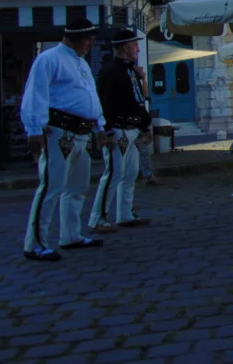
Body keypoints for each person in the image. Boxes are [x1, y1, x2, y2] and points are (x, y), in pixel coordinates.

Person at [21, 19, 111, 261]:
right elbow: (36, 93)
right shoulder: (49, 59)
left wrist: (100, 124)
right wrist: (34, 129)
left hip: (82, 133)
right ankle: (35, 243)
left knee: (77, 187)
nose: (91, 44)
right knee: (51, 186)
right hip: (59, 132)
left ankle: (70, 235)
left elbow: (90, 95)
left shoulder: (79, 62)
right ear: (74, 38)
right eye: (88, 40)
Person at [88, 29, 153, 234]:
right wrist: (105, 131)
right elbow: (103, 104)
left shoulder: (131, 71)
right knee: (114, 173)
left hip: (132, 130)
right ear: (125, 47)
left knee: (130, 173)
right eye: (135, 45)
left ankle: (125, 214)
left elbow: (137, 101)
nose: (137, 48)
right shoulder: (110, 72)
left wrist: (144, 125)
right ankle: (98, 218)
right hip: (118, 129)